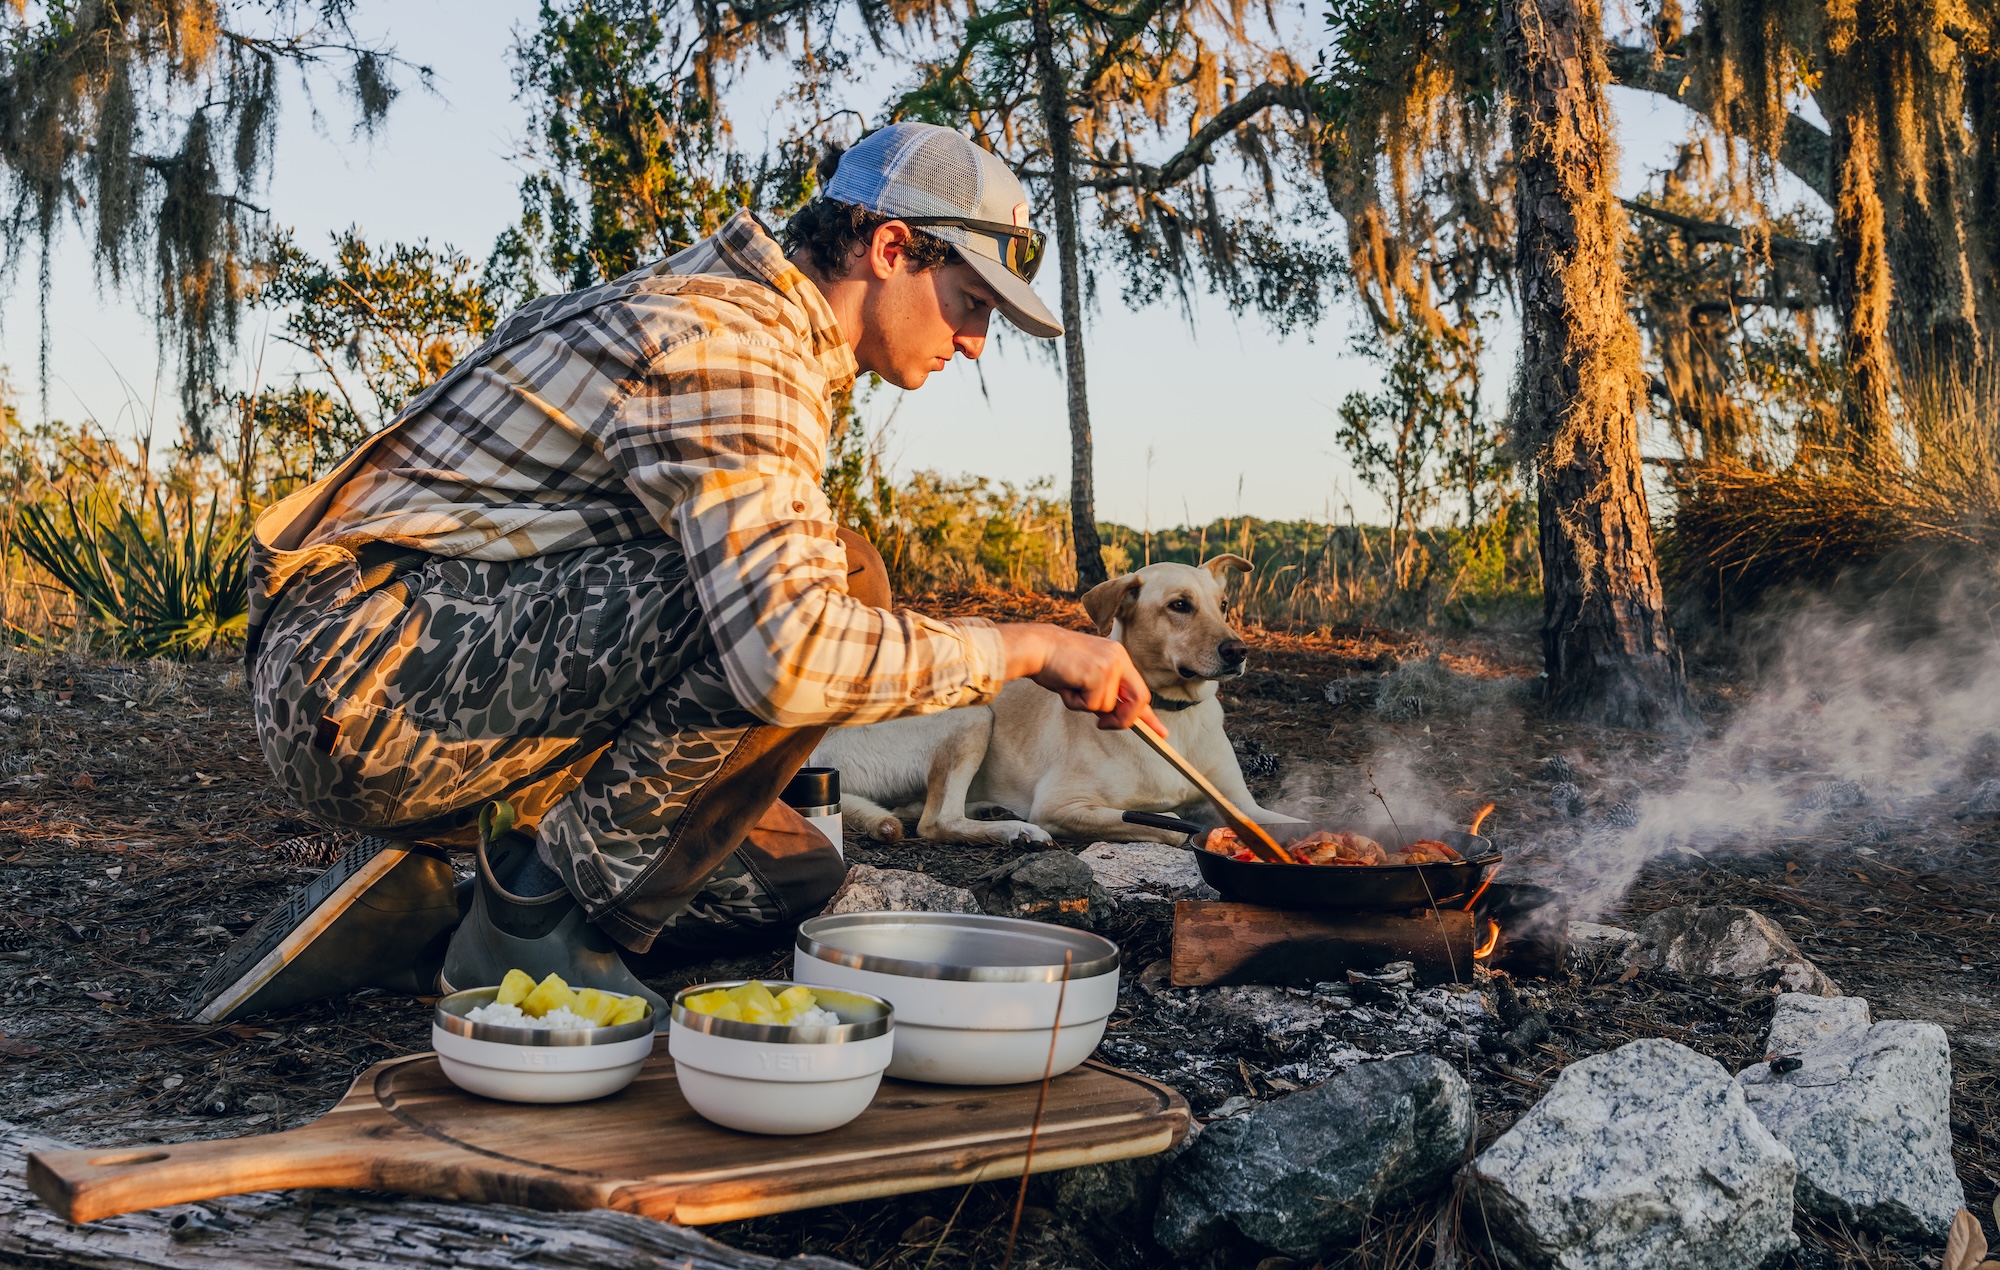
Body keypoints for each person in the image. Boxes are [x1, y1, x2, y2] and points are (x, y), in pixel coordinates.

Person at [194, 122, 1162, 1025]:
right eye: (970, 304)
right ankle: (531, 923)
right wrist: (1027, 647)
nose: (972, 341)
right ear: (892, 249)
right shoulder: (737, 348)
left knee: (797, 885)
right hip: (364, 673)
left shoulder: (738, 315)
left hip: (408, 650)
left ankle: (450, 903)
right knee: (833, 588)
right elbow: (787, 649)